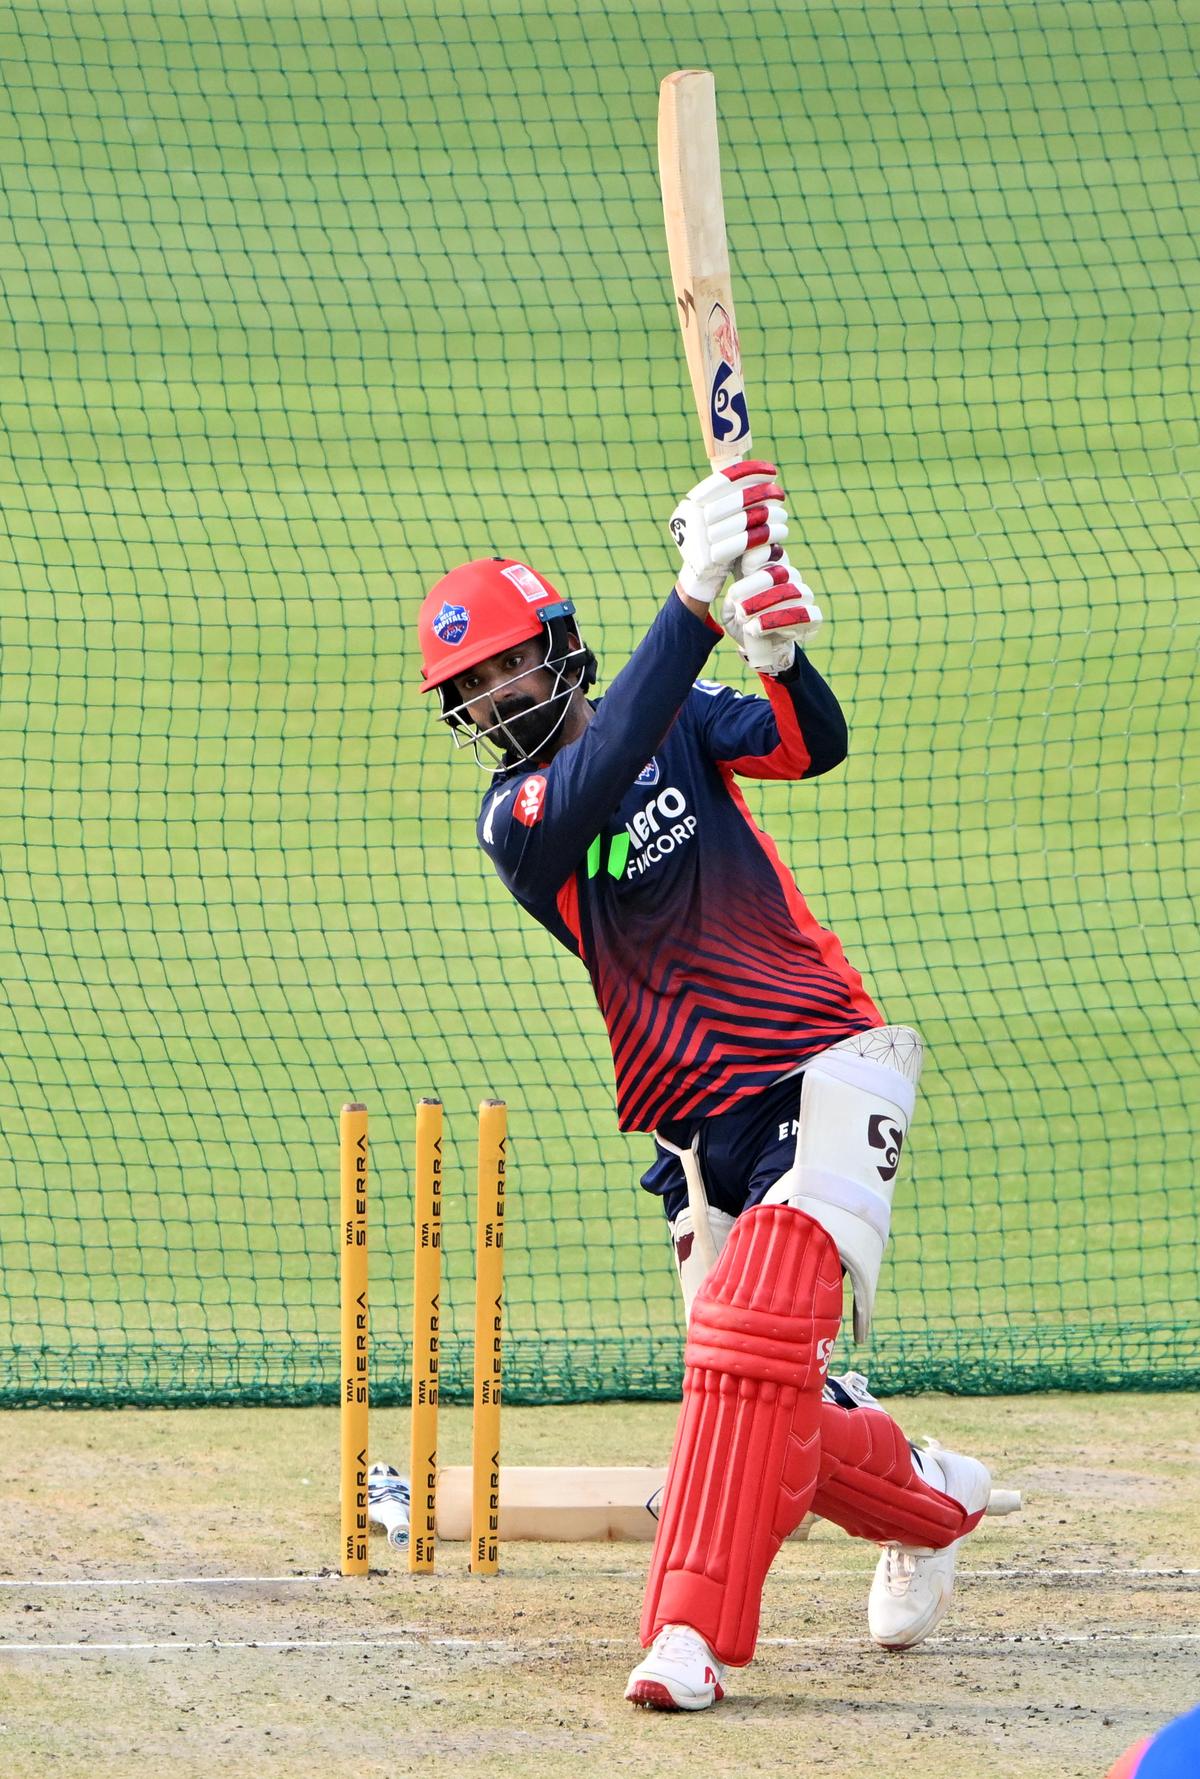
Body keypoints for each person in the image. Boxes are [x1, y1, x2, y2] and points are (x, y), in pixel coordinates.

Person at [417, 463, 992, 1712]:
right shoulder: (516, 821)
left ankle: (687, 1633)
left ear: (559, 652)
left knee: (742, 1350)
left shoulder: (674, 711)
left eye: (507, 667)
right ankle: (932, 1498)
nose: (490, 698)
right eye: (467, 689)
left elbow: (810, 746)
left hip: (822, 1069)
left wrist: (777, 652)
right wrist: (691, 595)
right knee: (767, 1404)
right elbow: (604, 757)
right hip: (692, 1132)